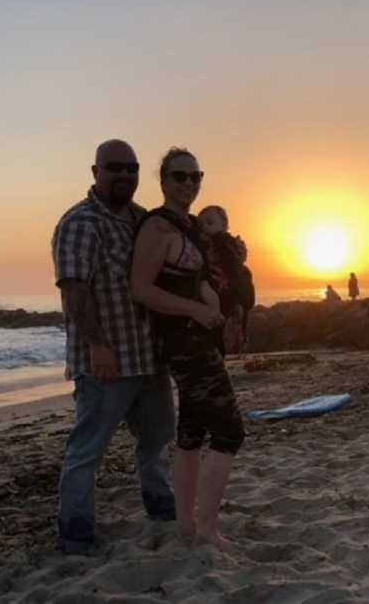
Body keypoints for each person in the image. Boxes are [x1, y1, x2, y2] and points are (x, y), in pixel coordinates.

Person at [50, 139, 176, 554]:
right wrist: (97, 346)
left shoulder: (142, 220)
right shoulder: (81, 223)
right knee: (88, 450)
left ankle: (161, 508)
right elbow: (74, 290)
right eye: (114, 168)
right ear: (95, 172)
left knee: (157, 440)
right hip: (107, 361)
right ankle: (76, 532)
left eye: (132, 168)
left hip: (150, 357)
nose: (124, 175)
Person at [131, 147, 245, 551]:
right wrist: (196, 310)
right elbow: (141, 289)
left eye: (196, 176)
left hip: (201, 338)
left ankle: (185, 525)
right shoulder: (157, 228)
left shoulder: (190, 226)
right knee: (230, 430)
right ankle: (207, 527)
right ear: (162, 181)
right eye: (179, 177)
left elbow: (208, 274)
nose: (189, 184)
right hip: (181, 342)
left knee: (192, 431)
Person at [197, 205, 255, 356]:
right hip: (220, 288)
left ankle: (237, 335)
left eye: (210, 223)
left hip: (228, 287)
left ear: (224, 226)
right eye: (200, 224)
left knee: (229, 317)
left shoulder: (223, 240)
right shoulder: (201, 243)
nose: (204, 227)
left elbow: (234, 264)